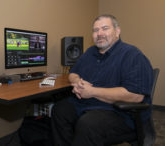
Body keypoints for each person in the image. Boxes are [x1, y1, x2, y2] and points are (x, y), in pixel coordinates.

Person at [51, 14, 153, 146]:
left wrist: (92, 92)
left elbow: (135, 96)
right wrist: (77, 82)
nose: (99, 33)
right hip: (88, 104)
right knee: (60, 110)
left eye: (105, 28)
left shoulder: (132, 55)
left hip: (119, 113)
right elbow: (73, 73)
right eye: (95, 30)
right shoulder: (90, 53)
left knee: (88, 124)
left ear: (117, 31)